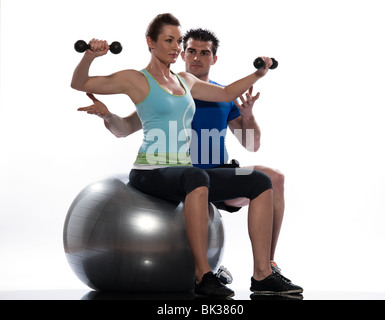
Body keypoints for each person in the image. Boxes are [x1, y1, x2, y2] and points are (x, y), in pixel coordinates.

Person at [71, 13, 302, 297]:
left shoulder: (184, 81)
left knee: (260, 181)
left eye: (178, 41)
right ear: (150, 43)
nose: (176, 48)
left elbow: (228, 92)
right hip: (152, 170)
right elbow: (81, 83)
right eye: (170, 41)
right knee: (196, 175)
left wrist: (258, 74)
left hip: (194, 171)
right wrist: (91, 56)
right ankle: (203, 275)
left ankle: (263, 274)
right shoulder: (136, 79)